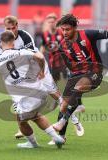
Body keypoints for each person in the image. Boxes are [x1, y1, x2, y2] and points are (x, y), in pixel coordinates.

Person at [0, 30, 65, 148]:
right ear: (13, 42)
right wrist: (42, 71)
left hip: (26, 97)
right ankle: (56, 138)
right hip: (40, 91)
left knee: (21, 120)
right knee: (35, 116)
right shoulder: (22, 51)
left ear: (0, 43)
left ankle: (32, 144)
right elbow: (39, 56)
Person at [52, 14, 108, 139]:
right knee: (64, 105)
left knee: (79, 87)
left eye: (68, 29)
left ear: (75, 27)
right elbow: (70, 67)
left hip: (95, 72)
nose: (64, 32)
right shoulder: (62, 46)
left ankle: (61, 122)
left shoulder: (88, 35)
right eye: (63, 29)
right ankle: (61, 137)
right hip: (77, 74)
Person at [3, 15, 63, 139]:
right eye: (7, 28)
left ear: (17, 26)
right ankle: (23, 127)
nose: (10, 31)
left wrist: (39, 71)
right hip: (23, 73)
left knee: (53, 93)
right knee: (20, 101)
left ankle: (69, 117)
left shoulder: (24, 36)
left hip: (38, 67)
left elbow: (34, 57)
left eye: (12, 28)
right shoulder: (4, 39)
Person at [40, 13, 85, 144]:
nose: (51, 22)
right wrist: (39, 57)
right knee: (61, 100)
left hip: (66, 68)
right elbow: (43, 47)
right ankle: (75, 121)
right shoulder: (45, 35)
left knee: (64, 100)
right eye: (49, 20)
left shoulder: (64, 34)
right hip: (53, 68)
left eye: (53, 20)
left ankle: (62, 133)